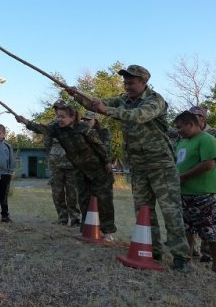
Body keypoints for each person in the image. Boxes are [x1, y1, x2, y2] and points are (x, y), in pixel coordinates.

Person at [66, 64, 190, 273]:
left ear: (143, 82)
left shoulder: (155, 100)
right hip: (138, 165)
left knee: (171, 211)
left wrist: (109, 111)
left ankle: (181, 257)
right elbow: (97, 104)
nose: (127, 86)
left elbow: (139, 115)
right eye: (125, 82)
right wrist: (77, 95)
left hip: (161, 164)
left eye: (131, 82)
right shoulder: (123, 100)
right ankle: (152, 250)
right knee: (143, 211)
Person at [15, 104, 117, 241]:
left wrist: (107, 161)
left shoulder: (84, 128)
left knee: (104, 201)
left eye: (62, 117)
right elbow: (42, 129)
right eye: (58, 116)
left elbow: (98, 145)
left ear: (72, 117)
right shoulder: (57, 129)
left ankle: (108, 232)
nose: (59, 119)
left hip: (98, 169)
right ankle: (87, 231)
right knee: (84, 200)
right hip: (80, 170)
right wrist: (25, 122)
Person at [174, 111, 216, 274]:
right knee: (187, 229)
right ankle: (186, 260)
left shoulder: (207, 139)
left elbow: (209, 164)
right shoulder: (182, 142)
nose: (178, 131)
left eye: (180, 127)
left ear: (190, 124)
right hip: (185, 193)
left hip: (205, 194)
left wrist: (184, 176)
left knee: (210, 231)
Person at [47, 100, 81, 226]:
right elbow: (47, 143)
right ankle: (62, 218)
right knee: (57, 193)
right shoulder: (52, 125)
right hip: (56, 164)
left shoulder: (74, 124)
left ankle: (75, 218)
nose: (57, 110)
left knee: (73, 193)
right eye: (56, 108)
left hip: (71, 164)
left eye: (60, 108)